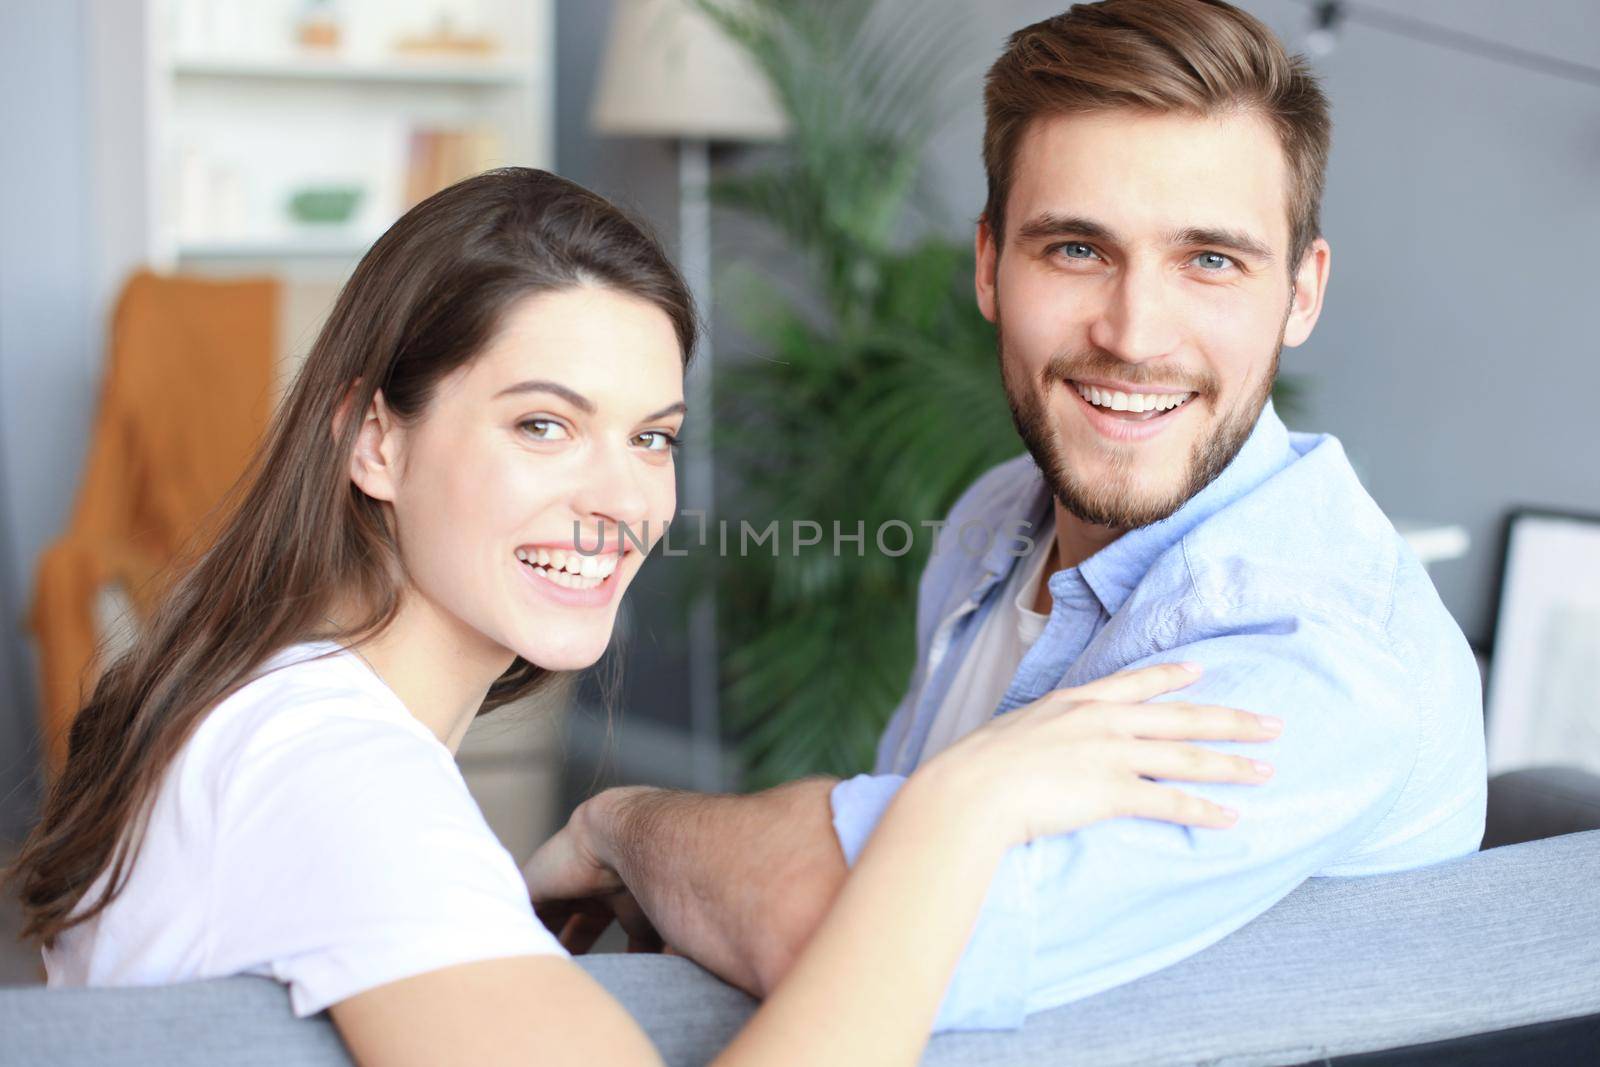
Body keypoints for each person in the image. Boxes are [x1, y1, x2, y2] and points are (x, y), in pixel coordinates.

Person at [3, 167, 1281, 1065]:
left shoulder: (271, 711)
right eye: (542, 424)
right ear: (372, 438)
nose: (619, 500)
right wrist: (958, 811)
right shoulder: (331, 770)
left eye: (652, 437)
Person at [522, 0, 1488, 1032]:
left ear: (1301, 292)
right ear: (989, 265)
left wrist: (622, 821)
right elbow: (885, 864)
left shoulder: (1311, 654)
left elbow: (865, 942)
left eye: (1210, 259)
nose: (1132, 333)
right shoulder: (998, 511)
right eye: (1076, 248)